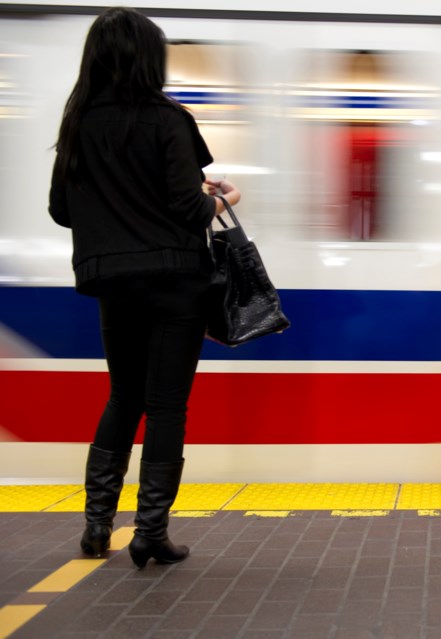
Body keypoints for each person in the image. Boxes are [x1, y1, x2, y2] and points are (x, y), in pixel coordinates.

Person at [48, 7, 241, 569]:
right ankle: (150, 531)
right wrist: (225, 197)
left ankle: (96, 524)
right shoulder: (167, 119)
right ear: (149, 59)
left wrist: (113, 211)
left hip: (111, 281)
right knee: (165, 406)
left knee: (123, 396)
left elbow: (62, 211)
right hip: (175, 282)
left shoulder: (78, 123)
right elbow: (189, 207)